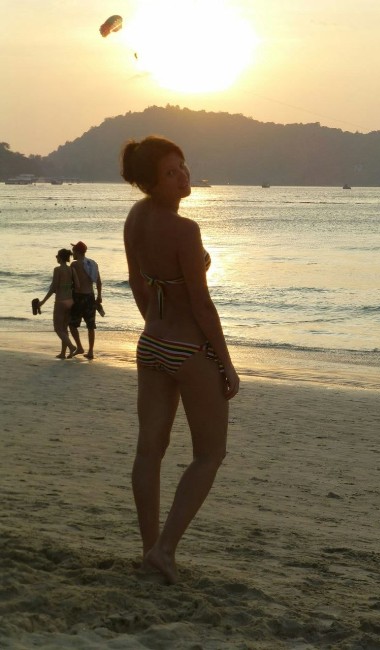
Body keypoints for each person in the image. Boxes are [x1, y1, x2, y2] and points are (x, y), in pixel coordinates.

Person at [121, 135, 239, 584]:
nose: (182, 177)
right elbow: (203, 306)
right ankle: (164, 550)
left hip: (151, 343)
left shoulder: (136, 218)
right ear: (150, 183)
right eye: (170, 173)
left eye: (183, 166)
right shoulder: (185, 230)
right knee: (210, 454)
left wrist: (155, 324)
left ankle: (150, 549)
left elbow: (138, 283)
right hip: (189, 350)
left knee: (149, 450)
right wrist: (226, 364)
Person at [38, 249, 79, 359]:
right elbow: (78, 285)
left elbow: (53, 288)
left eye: (57, 256)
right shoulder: (71, 269)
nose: (56, 258)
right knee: (64, 329)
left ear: (60, 257)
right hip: (70, 301)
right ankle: (63, 353)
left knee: (58, 329)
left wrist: (42, 302)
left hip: (60, 301)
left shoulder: (57, 270)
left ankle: (71, 347)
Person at [69, 241, 102, 360]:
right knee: (90, 326)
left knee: (72, 324)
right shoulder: (93, 263)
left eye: (73, 251)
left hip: (78, 297)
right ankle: (91, 351)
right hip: (90, 297)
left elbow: (71, 282)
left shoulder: (74, 265)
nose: (72, 253)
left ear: (77, 252)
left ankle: (79, 347)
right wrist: (99, 296)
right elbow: (98, 281)